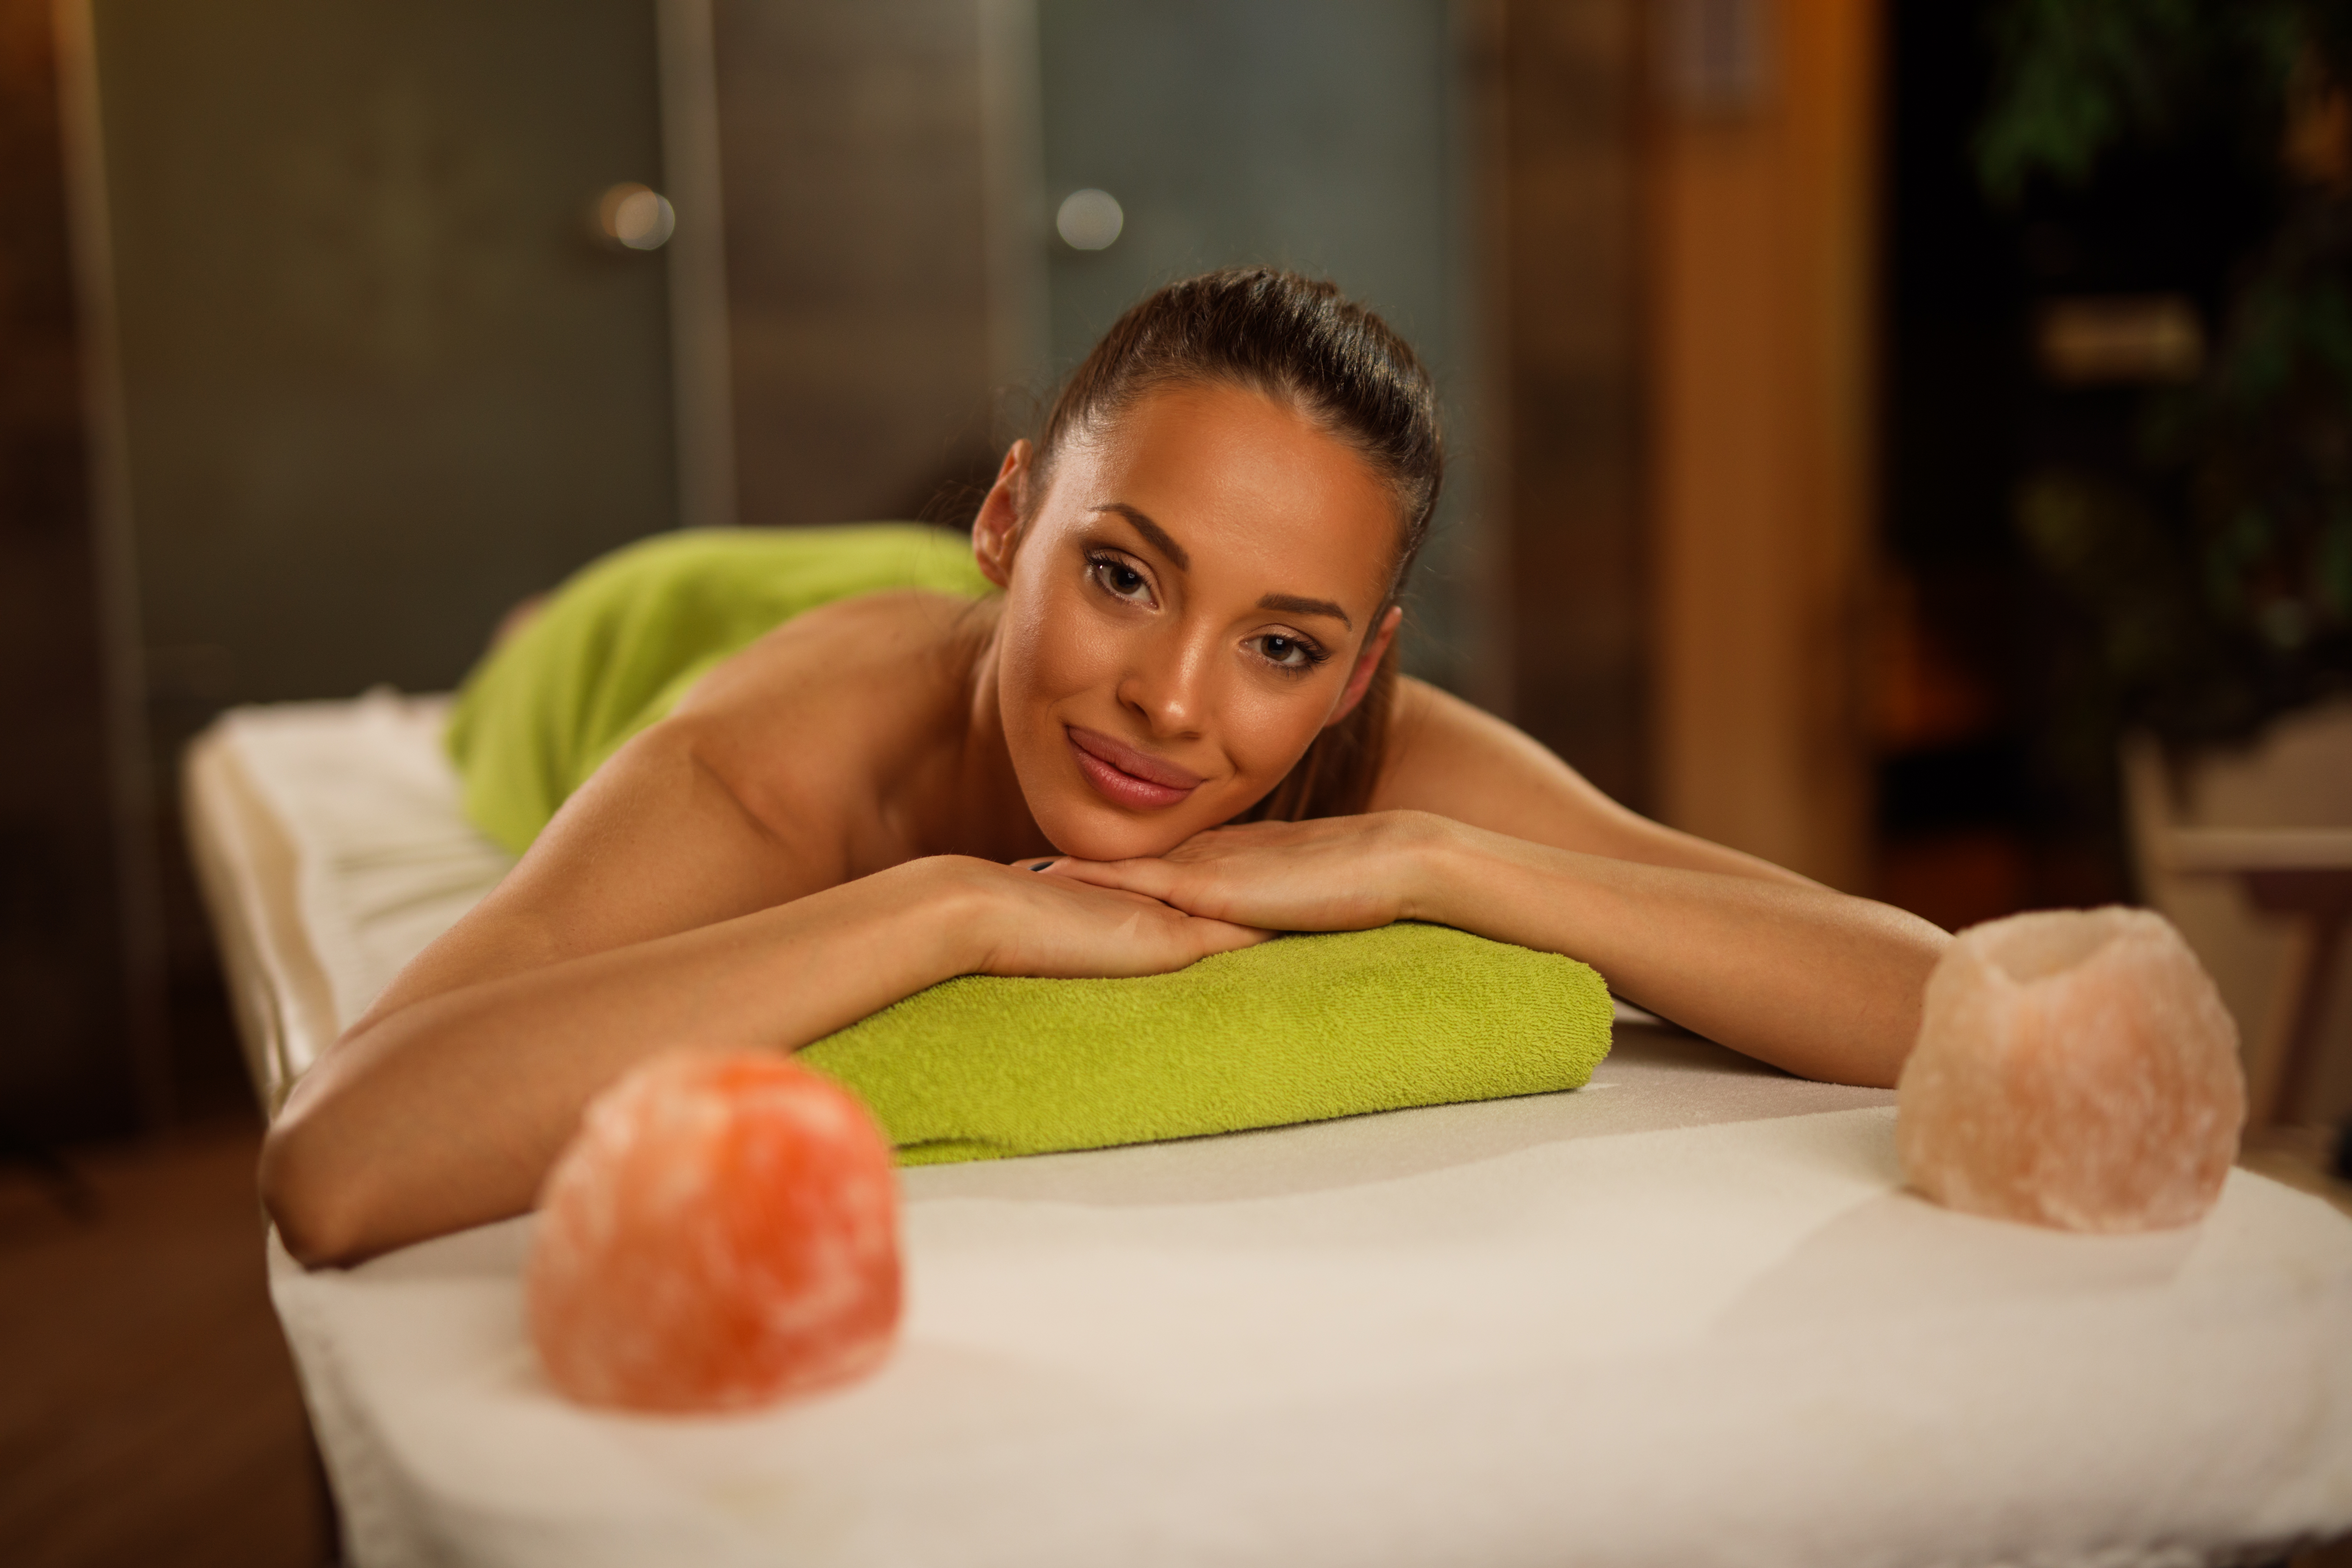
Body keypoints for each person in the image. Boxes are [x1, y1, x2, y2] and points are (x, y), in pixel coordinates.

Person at [261, 268, 1948, 1266]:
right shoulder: (765, 766)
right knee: (561, 641)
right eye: (1127, 574)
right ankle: (540, 621)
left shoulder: (1380, 752)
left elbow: (1942, 1004)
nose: (1173, 704)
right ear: (1010, 520)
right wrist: (947, 912)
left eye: (1283, 644)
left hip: (972, 625)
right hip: (669, 630)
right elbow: (340, 1162)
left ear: (1363, 664)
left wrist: (1457, 865)